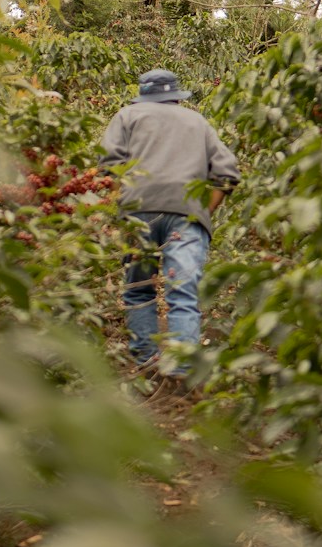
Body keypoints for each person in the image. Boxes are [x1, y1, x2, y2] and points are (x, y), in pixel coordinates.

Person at [100, 68, 240, 382]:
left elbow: (110, 168)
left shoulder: (127, 116)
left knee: (139, 291)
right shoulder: (198, 122)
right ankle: (183, 371)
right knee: (184, 293)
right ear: (177, 96)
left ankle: (149, 365)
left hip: (137, 211)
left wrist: (118, 213)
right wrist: (203, 213)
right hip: (186, 214)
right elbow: (227, 174)